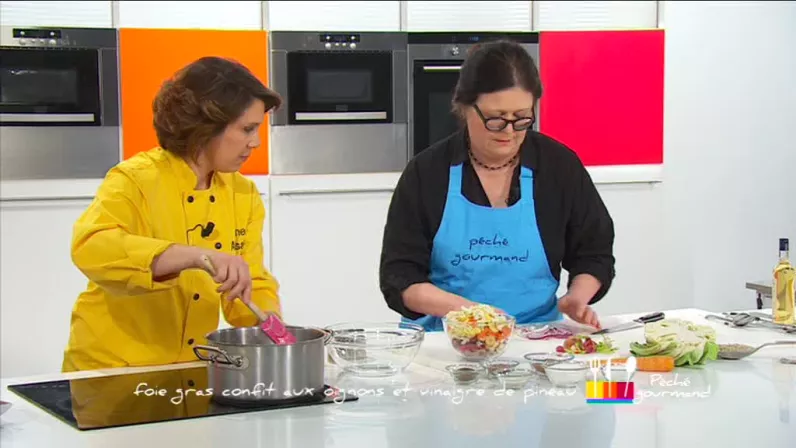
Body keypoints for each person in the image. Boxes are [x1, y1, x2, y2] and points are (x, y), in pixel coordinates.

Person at [62, 56, 283, 372]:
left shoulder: (243, 194)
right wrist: (193, 256)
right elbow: (91, 248)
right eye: (247, 129)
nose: (256, 143)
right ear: (206, 125)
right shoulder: (136, 179)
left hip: (188, 366)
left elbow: (251, 282)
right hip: (112, 367)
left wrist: (271, 325)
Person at [379, 39, 615, 332]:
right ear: (465, 107)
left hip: (535, 338)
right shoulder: (427, 173)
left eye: (522, 119)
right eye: (495, 119)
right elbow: (399, 276)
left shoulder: (558, 166)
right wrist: (473, 315)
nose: (509, 132)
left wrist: (576, 298)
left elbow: (594, 252)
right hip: (444, 340)